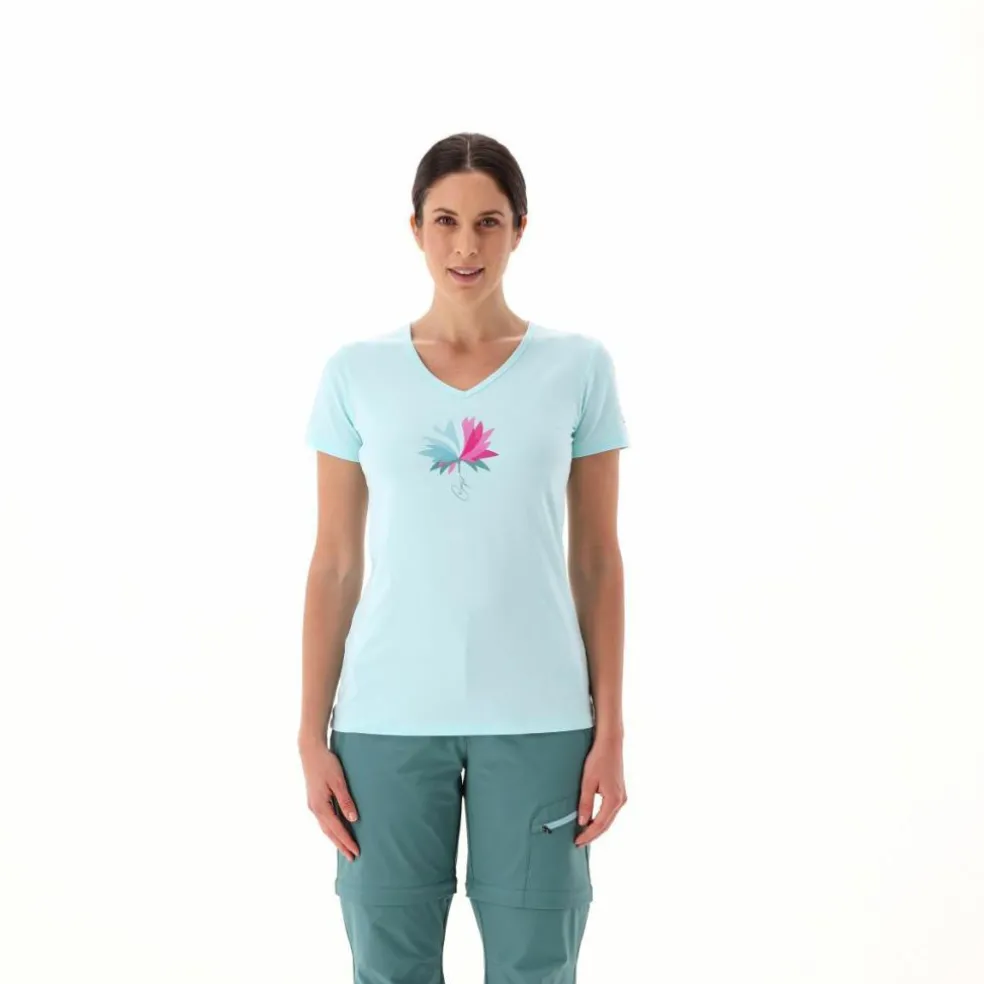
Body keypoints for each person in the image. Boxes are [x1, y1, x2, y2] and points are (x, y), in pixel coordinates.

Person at [298, 132, 630, 984]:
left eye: (488, 222)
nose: (465, 245)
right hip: (383, 721)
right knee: (389, 967)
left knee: (535, 968)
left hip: (542, 720)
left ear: (520, 229)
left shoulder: (578, 368)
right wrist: (309, 734)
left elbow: (597, 560)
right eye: (445, 220)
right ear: (415, 228)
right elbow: (335, 564)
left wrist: (610, 730)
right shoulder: (356, 372)